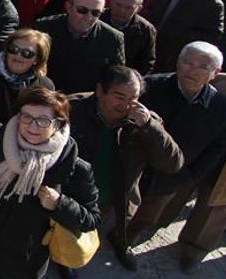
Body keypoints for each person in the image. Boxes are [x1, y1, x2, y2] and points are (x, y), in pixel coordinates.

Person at [0, 87, 101, 279]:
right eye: (26, 117)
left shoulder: (75, 167)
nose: (32, 127)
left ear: (58, 124)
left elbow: (91, 219)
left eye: (43, 121)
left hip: (22, 262)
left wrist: (59, 203)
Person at [123, 42, 226, 266]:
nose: (191, 70)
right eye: (187, 62)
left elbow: (218, 147)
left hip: (171, 178)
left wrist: (189, 177)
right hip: (132, 168)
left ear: (216, 73)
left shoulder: (220, 107)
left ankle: (124, 241)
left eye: (202, 66)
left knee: (147, 217)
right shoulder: (150, 86)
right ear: (177, 62)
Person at [68, 66, 183, 271]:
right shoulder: (71, 109)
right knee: (67, 231)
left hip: (113, 197)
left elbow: (172, 164)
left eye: (134, 97)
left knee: (91, 230)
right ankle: (64, 261)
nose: (126, 105)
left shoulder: (145, 121)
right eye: (119, 96)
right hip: (74, 194)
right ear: (100, 91)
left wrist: (150, 127)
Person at [177, 72, 226, 272]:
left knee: (215, 210)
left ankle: (194, 249)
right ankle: (153, 222)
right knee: (177, 190)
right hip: (202, 150)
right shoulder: (223, 81)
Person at [34, 0, 125, 93]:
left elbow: (115, 77)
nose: (88, 17)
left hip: (85, 102)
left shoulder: (112, 39)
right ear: (68, 7)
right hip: (43, 96)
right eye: (82, 10)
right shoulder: (43, 29)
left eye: (95, 13)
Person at [143, 0, 224, 72]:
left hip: (176, 56)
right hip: (150, 47)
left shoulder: (211, 3)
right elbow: (148, 11)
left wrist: (177, 37)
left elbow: (211, 35)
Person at [102, 0, 156, 75]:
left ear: (138, 9)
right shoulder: (97, 18)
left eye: (129, 8)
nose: (122, 11)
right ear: (111, 1)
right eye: (118, 5)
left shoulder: (146, 30)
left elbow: (147, 62)